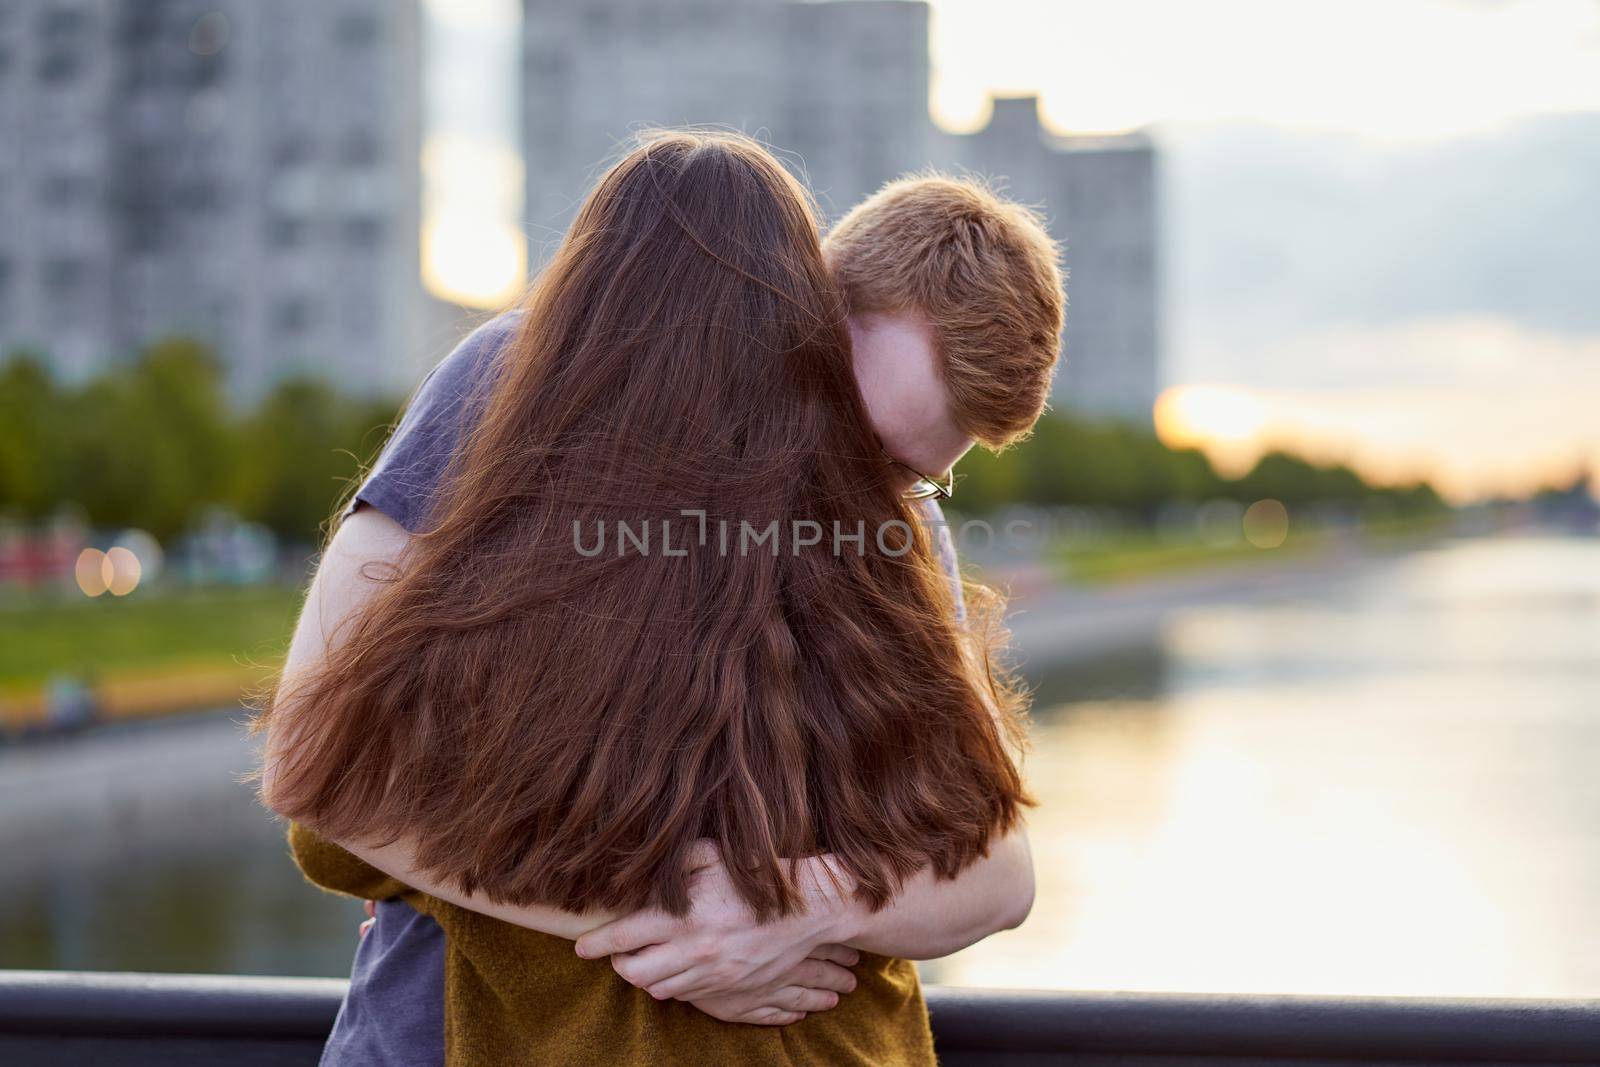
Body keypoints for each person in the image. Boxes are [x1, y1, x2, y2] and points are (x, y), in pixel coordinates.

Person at [257, 131, 1064, 1066]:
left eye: (915, 474)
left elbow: (1000, 868)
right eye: (860, 433)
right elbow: (315, 761)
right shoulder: (520, 376)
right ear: (803, 313)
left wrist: (791, 912)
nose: (863, 480)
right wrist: (677, 924)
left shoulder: (890, 521)